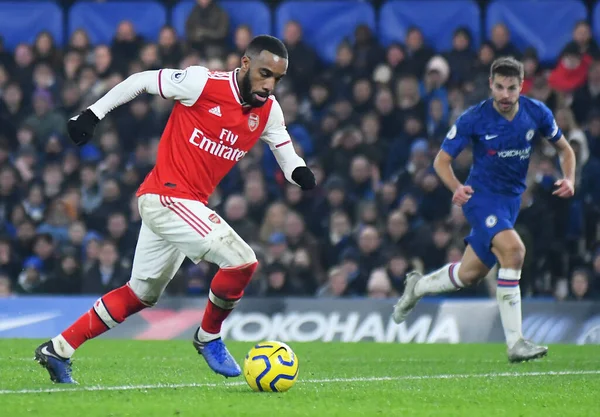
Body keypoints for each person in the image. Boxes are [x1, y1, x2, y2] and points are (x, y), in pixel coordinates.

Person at [34, 35, 316, 384]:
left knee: (140, 295)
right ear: (244, 64)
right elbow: (141, 81)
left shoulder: (269, 112)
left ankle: (58, 349)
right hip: (166, 196)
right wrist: (92, 114)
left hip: (184, 206)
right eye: (263, 73)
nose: (269, 85)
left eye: (277, 79)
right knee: (243, 260)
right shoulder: (202, 83)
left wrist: (299, 173)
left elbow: (286, 152)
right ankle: (208, 336)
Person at [392, 57, 576, 362]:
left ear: (521, 87)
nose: (505, 94)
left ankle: (418, 286)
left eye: (512, 88)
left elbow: (565, 149)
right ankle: (515, 343)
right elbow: (441, 161)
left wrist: (570, 178)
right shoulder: (474, 118)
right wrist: (456, 188)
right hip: (480, 198)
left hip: (510, 202)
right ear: (491, 85)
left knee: (469, 274)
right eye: (500, 87)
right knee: (514, 251)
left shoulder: (536, 112)